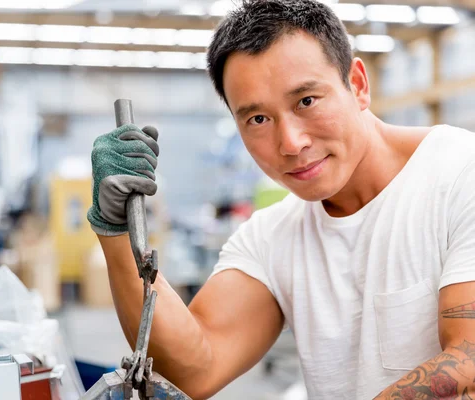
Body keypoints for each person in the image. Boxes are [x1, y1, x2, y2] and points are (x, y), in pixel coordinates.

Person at [86, 0, 475, 398]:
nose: (290, 143)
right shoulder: (273, 237)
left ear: (357, 85)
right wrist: (116, 231)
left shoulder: (460, 174)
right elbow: (194, 368)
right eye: (258, 119)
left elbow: (469, 358)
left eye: (306, 101)